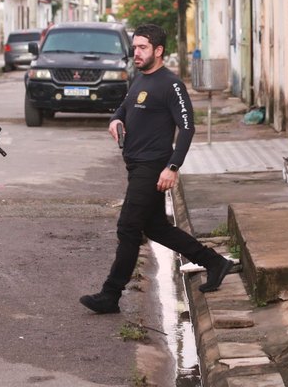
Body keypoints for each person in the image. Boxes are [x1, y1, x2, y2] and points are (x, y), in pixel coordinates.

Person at [80, 24, 234, 314]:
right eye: (134, 47)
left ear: (158, 51)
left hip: (153, 167)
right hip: (135, 164)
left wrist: (172, 167)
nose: (135, 53)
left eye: (142, 48)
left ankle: (110, 294)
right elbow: (122, 109)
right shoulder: (139, 80)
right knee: (155, 227)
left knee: (128, 227)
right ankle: (215, 262)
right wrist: (115, 120)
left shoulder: (170, 84)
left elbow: (187, 128)